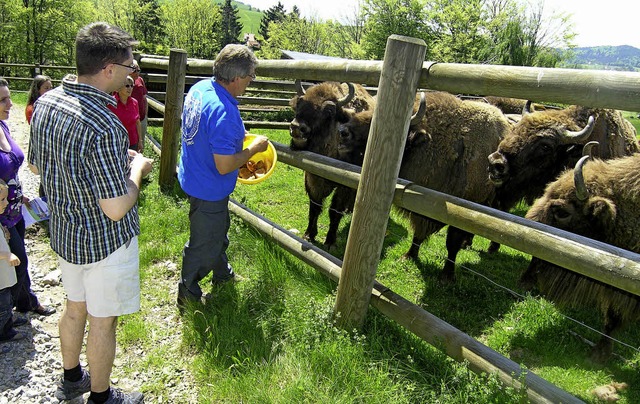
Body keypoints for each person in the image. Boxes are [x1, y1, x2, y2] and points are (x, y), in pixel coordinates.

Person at [29, 22, 153, 404]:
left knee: (74, 307)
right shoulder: (106, 125)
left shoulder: (48, 102)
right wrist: (136, 168)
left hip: (66, 233)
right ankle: (101, 398)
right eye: (130, 64)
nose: (133, 71)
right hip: (105, 241)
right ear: (109, 68)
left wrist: (116, 161)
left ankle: (71, 379)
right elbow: (116, 208)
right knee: (103, 321)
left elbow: (36, 167)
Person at [176, 44, 268, 310]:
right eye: (251, 76)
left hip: (193, 174)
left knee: (215, 232)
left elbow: (204, 128)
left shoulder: (201, 88)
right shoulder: (224, 113)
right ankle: (188, 294)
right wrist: (253, 150)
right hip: (209, 187)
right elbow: (226, 165)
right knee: (203, 243)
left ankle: (223, 275)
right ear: (237, 78)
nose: (251, 82)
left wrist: (236, 135)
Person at [0, 78, 55, 318]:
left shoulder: (3, 126)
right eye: (3, 100)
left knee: (20, 260)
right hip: (2, 216)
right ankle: (6, 318)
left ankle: (25, 302)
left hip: (15, 209)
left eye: (9, 97)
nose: (10, 104)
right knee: (16, 260)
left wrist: (19, 195)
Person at [0, 179, 26, 346]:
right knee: (2, 306)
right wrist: (5, 255)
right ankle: (4, 332)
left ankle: (8, 321)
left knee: (7, 302)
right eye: (2, 200)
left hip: (4, 275)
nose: (7, 202)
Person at [108, 76, 141, 151]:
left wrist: (140, 141)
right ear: (119, 87)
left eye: (132, 86)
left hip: (132, 142)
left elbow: (138, 122)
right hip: (116, 142)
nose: (130, 88)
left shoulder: (135, 102)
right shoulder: (110, 103)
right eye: (127, 86)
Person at [129, 60, 147, 152]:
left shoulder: (140, 80)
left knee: (140, 143)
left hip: (142, 117)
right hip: (131, 119)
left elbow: (144, 98)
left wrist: (145, 115)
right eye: (134, 70)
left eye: (138, 70)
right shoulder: (124, 82)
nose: (136, 73)